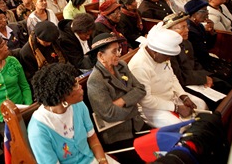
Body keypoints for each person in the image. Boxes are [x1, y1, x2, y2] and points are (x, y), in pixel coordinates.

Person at [28, 63, 115, 164]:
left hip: (93, 159)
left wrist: (103, 161)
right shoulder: (38, 130)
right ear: (61, 96)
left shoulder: (79, 105)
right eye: (75, 85)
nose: (80, 86)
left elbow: (93, 140)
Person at [128, 22, 207, 128]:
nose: (169, 59)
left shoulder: (161, 55)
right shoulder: (139, 66)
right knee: (180, 126)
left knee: (201, 105)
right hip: (151, 108)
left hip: (171, 97)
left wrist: (183, 96)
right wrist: (177, 108)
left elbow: (172, 77)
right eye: (167, 56)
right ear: (156, 52)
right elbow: (146, 101)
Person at [87, 33, 147, 163]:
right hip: (117, 134)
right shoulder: (95, 80)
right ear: (100, 56)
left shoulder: (121, 66)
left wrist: (122, 101)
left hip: (137, 123)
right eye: (114, 51)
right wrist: (132, 104)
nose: (119, 54)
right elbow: (108, 113)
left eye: (119, 49)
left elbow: (141, 89)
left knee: (161, 147)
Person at [163, 12, 232, 110]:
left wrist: (206, 76)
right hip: (184, 84)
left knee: (224, 85)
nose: (187, 30)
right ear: (169, 31)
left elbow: (194, 62)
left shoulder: (186, 42)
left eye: (186, 26)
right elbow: (179, 77)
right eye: (182, 27)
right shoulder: (167, 50)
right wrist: (202, 78)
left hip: (195, 77)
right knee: (217, 101)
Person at [184, 0, 232, 86]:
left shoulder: (199, 26)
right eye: (204, 10)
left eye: (207, 10)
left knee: (229, 67)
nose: (207, 13)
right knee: (225, 79)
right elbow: (199, 54)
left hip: (205, 59)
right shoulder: (189, 30)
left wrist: (211, 31)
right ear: (194, 13)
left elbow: (209, 46)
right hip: (197, 64)